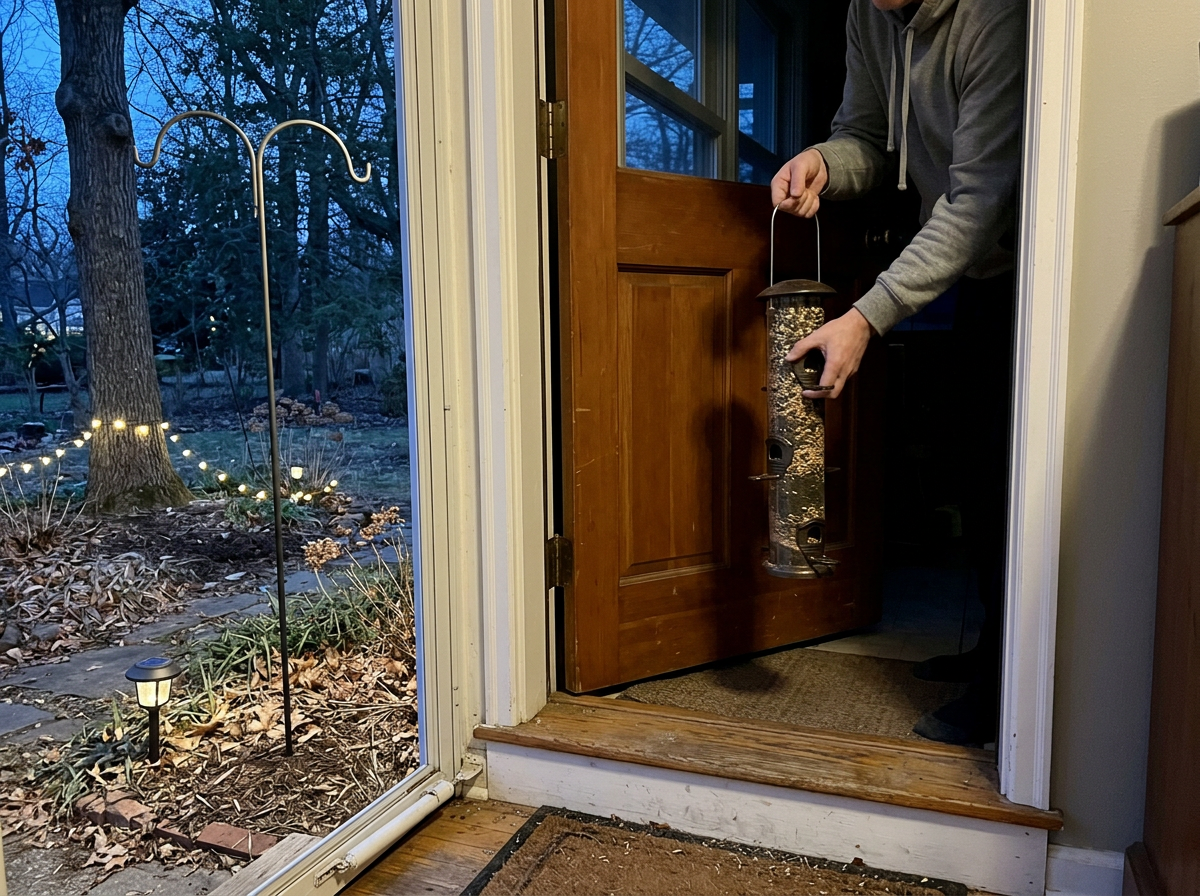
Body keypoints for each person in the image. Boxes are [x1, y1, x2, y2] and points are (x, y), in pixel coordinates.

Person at [771, 0, 1026, 745]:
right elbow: (869, 140)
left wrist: (866, 316)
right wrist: (823, 160)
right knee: (972, 471)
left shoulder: (995, 18)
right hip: (963, 273)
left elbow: (979, 199)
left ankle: (1009, 684)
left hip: (1022, 269)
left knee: (1007, 478)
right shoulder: (864, 15)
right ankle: (992, 647)